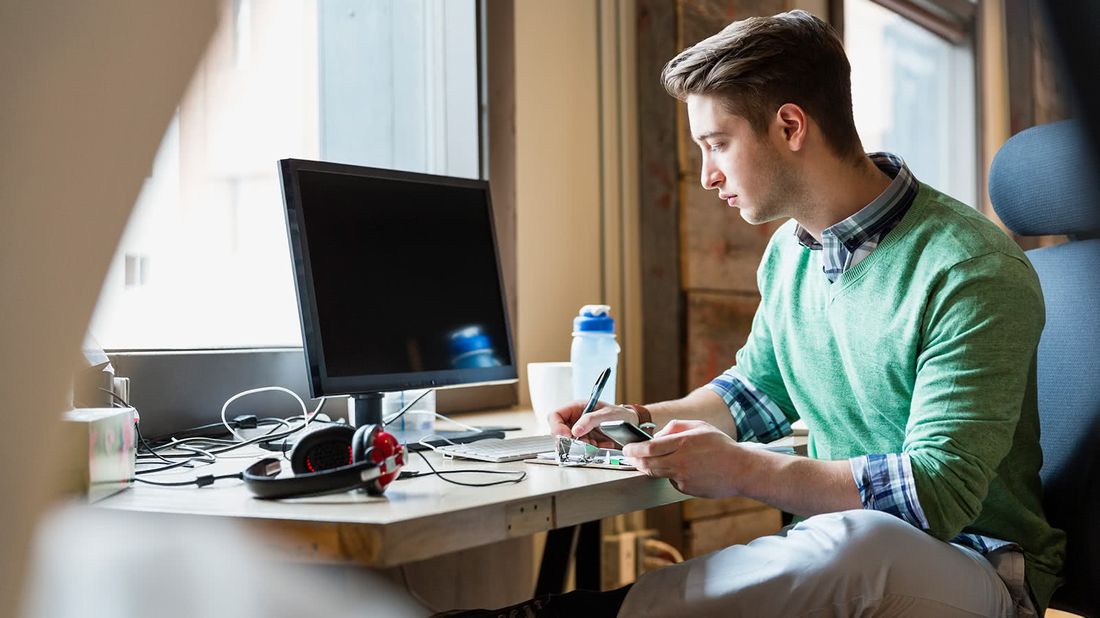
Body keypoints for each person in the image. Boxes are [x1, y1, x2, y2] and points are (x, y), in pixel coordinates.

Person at [439, 9, 1064, 617]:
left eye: (717, 144)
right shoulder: (790, 254)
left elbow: (937, 493)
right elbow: (755, 392)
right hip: (835, 551)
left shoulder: (970, 268)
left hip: (980, 567)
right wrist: (638, 418)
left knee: (862, 545)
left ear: (790, 126)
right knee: (849, 545)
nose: (707, 174)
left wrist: (742, 470)